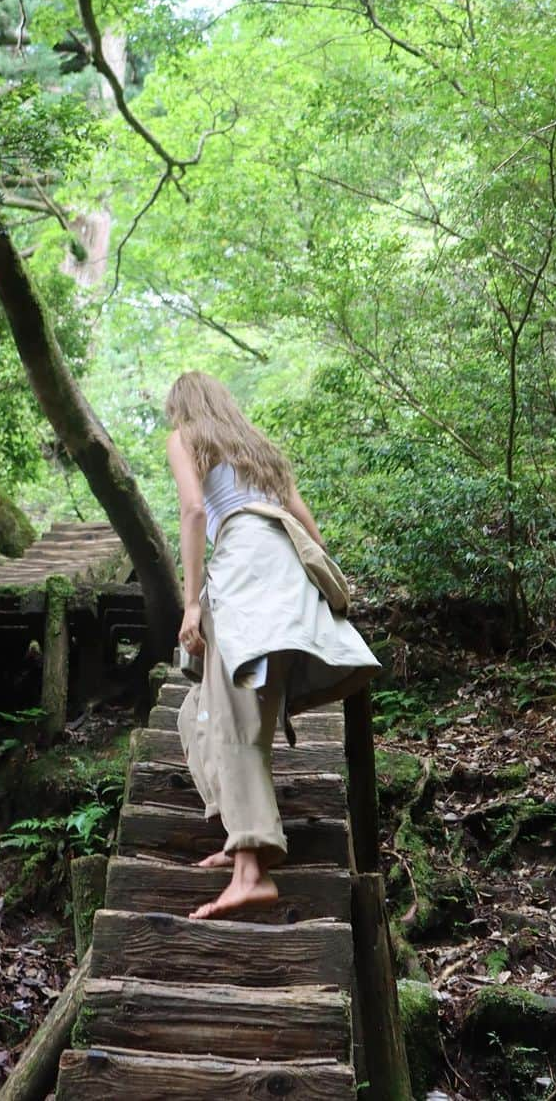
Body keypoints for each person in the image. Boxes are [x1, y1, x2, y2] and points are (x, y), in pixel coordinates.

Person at [165, 370, 381, 920]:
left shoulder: (187, 436)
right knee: (199, 712)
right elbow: (308, 526)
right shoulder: (258, 448)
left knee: (235, 716)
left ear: (181, 407)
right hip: (284, 575)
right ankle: (243, 838)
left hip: (245, 577)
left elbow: (193, 512)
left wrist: (192, 602)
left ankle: (251, 874)